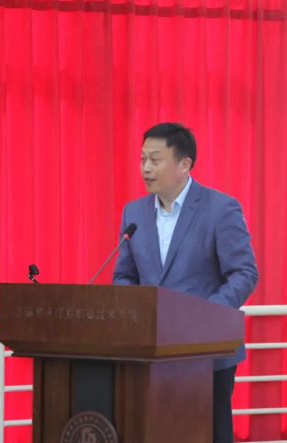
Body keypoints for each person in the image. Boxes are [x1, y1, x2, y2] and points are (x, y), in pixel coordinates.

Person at [113, 122, 259, 443]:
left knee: (209, 435)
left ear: (184, 164)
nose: (146, 168)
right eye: (142, 159)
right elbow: (124, 275)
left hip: (207, 351)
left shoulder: (220, 208)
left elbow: (244, 273)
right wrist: (134, 313)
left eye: (155, 160)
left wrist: (204, 316)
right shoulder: (134, 212)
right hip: (150, 351)